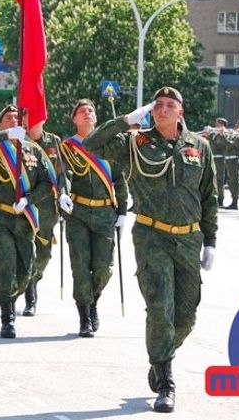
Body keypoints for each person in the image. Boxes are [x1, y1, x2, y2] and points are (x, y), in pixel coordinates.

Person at [84, 86, 217, 413]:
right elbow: (91, 144)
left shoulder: (200, 147)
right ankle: (166, 380)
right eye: (158, 105)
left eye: (170, 105)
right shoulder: (135, 143)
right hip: (152, 237)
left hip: (188, 239)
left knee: (186, 314)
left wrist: (211, 240)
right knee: (160, 307)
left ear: (181, 112)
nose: (163, 110)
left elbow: (209, 197)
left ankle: (161, 356)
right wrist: (124, 120)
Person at [0, 104, 53, 339]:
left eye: (17, 118)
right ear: (0, 125)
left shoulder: (33, 150)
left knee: (26, 270)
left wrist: (29, 200)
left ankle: (12, 297)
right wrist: (6, 136)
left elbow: (47, 183)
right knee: (6, 263)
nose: (13, 120)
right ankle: (7, 318)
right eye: (8, 118)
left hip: (24, 218)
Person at [59, 99, 127, 337]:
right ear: (74, 119)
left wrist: (122, 211)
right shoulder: (67, 147)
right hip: (78, 213)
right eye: (82, 111)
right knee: (80, 265)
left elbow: (119, 178)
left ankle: (93, 299)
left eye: (91, 110)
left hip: (105, 213)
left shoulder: (109, 145)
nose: (87, 113)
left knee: (103, 268)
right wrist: (63, 194)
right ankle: (85, 316)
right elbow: (63, 175)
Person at [23, 120, 62, 317]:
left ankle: (33, 279)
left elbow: (62, 172)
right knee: (24, 251)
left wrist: (64, 193)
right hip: (25, 206)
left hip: (47, 208)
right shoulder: (18, 140)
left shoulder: (53, 140)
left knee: (44, 254)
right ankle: (29, 295)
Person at [210, 118, 228, 208]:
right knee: (212, 181)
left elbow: (223, 146)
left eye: (218, 125)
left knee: (219, 181)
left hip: (220, 160)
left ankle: (221, 200)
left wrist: (221, 135)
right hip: (212, 159)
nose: (216, 126)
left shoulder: (224, 135)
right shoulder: (213, 135)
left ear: (222, 125)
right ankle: (214, 199)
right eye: (216, 124)